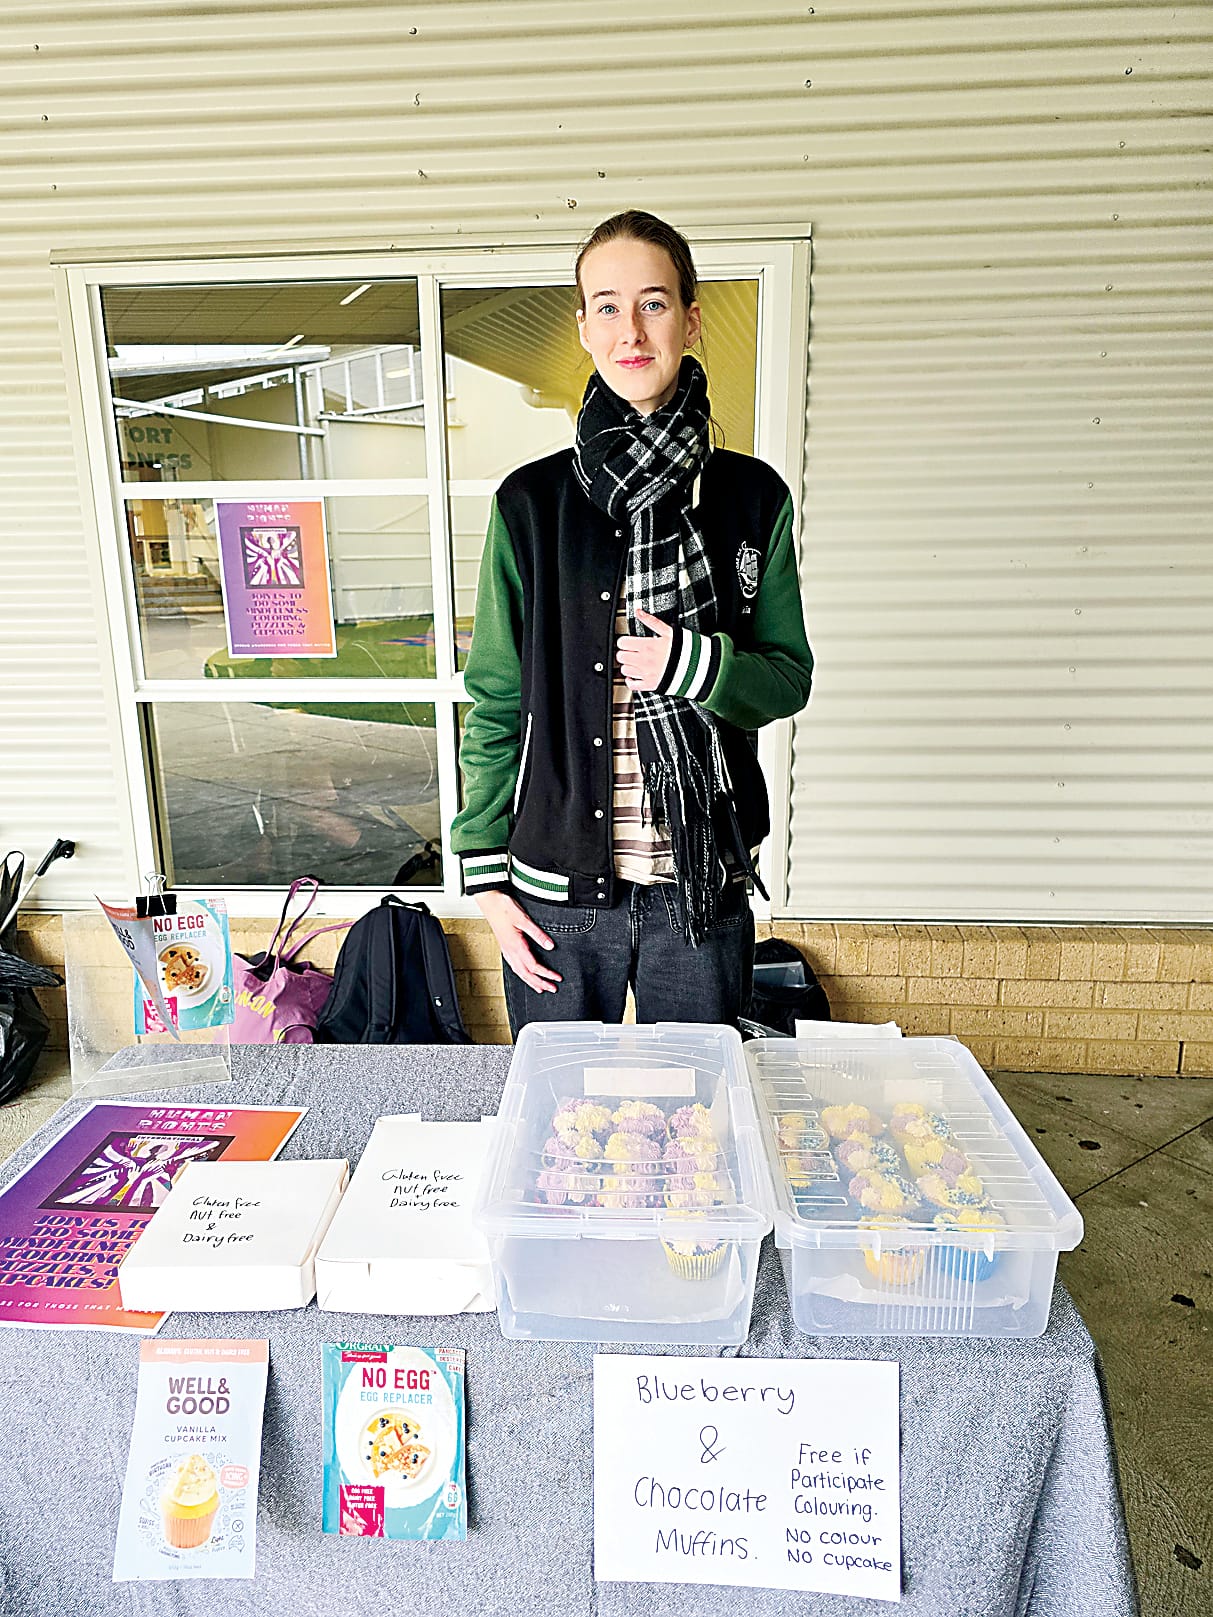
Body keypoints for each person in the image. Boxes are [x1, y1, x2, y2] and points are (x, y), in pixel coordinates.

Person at [450, 210, 813, 1036]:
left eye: (652, 303)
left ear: (689, 319)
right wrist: (486, 880)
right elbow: (498, 699)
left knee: (692, 1114)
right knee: (560, 1119)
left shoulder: (750, 499)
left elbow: (786, 677)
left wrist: (693, 664)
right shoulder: (532, 504)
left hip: (701, 884)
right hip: (556, 891)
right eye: (606, 306)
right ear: (582, 327)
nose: (630, 329)